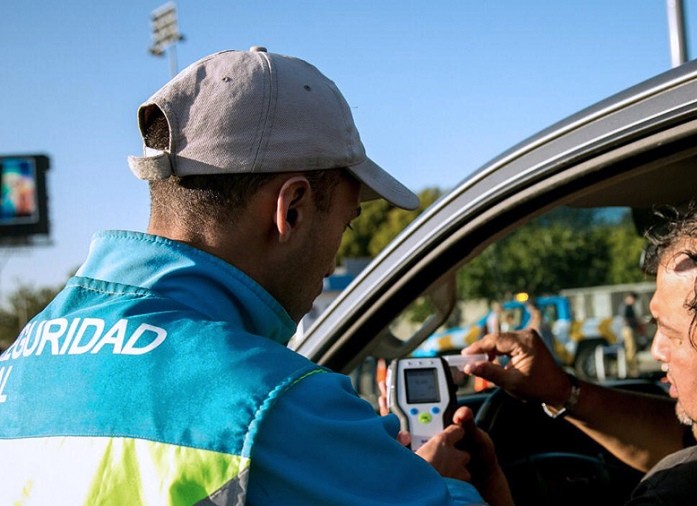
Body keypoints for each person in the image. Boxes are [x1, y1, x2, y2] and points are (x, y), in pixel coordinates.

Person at [0, 47, 511, 506]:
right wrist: (444, 485)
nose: (334, 260)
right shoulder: (281, 401)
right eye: (345, 223)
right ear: (291, 208)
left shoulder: (19, 363)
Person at [463, 187, 697, 505]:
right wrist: (561, 391)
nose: (657, 350)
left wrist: (483, 486)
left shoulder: (676, 493)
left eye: (671, 333)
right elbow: (680, 442)